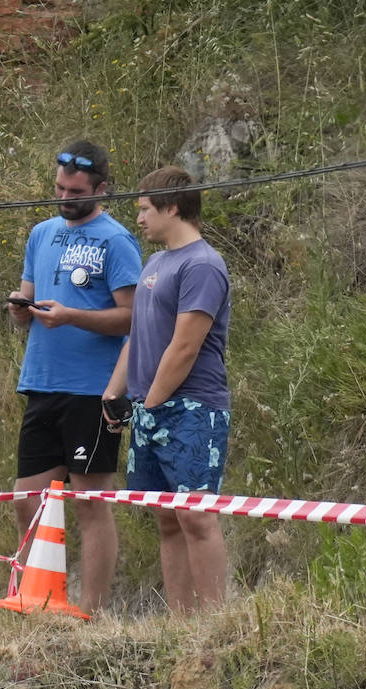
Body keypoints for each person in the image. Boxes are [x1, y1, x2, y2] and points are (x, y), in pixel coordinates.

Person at [7, 140, 142, 613]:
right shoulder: (41, 233)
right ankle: (39, 597)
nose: (64, 197)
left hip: (92, 390)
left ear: (101, 188)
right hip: (42, 383)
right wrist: (19, 311)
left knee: (90, 502)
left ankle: (93, 611)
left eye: (75, 190)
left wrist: (71, 317)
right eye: (59, 188)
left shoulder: (116, 240)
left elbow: (131, 318)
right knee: (28, 500)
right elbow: (27, 298)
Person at [103, 166, 231, 613]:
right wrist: (113, 394)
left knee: (196, 515)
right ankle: (180, 623)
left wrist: (152, 403)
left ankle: (216, 623)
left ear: (172, 207)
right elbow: (138, 335)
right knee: (167, 518)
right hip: (147, 406)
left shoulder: (203, 265)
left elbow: (185, 346)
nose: (138, 219)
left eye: (144, 210)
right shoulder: (154, 263)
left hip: (193, 408)